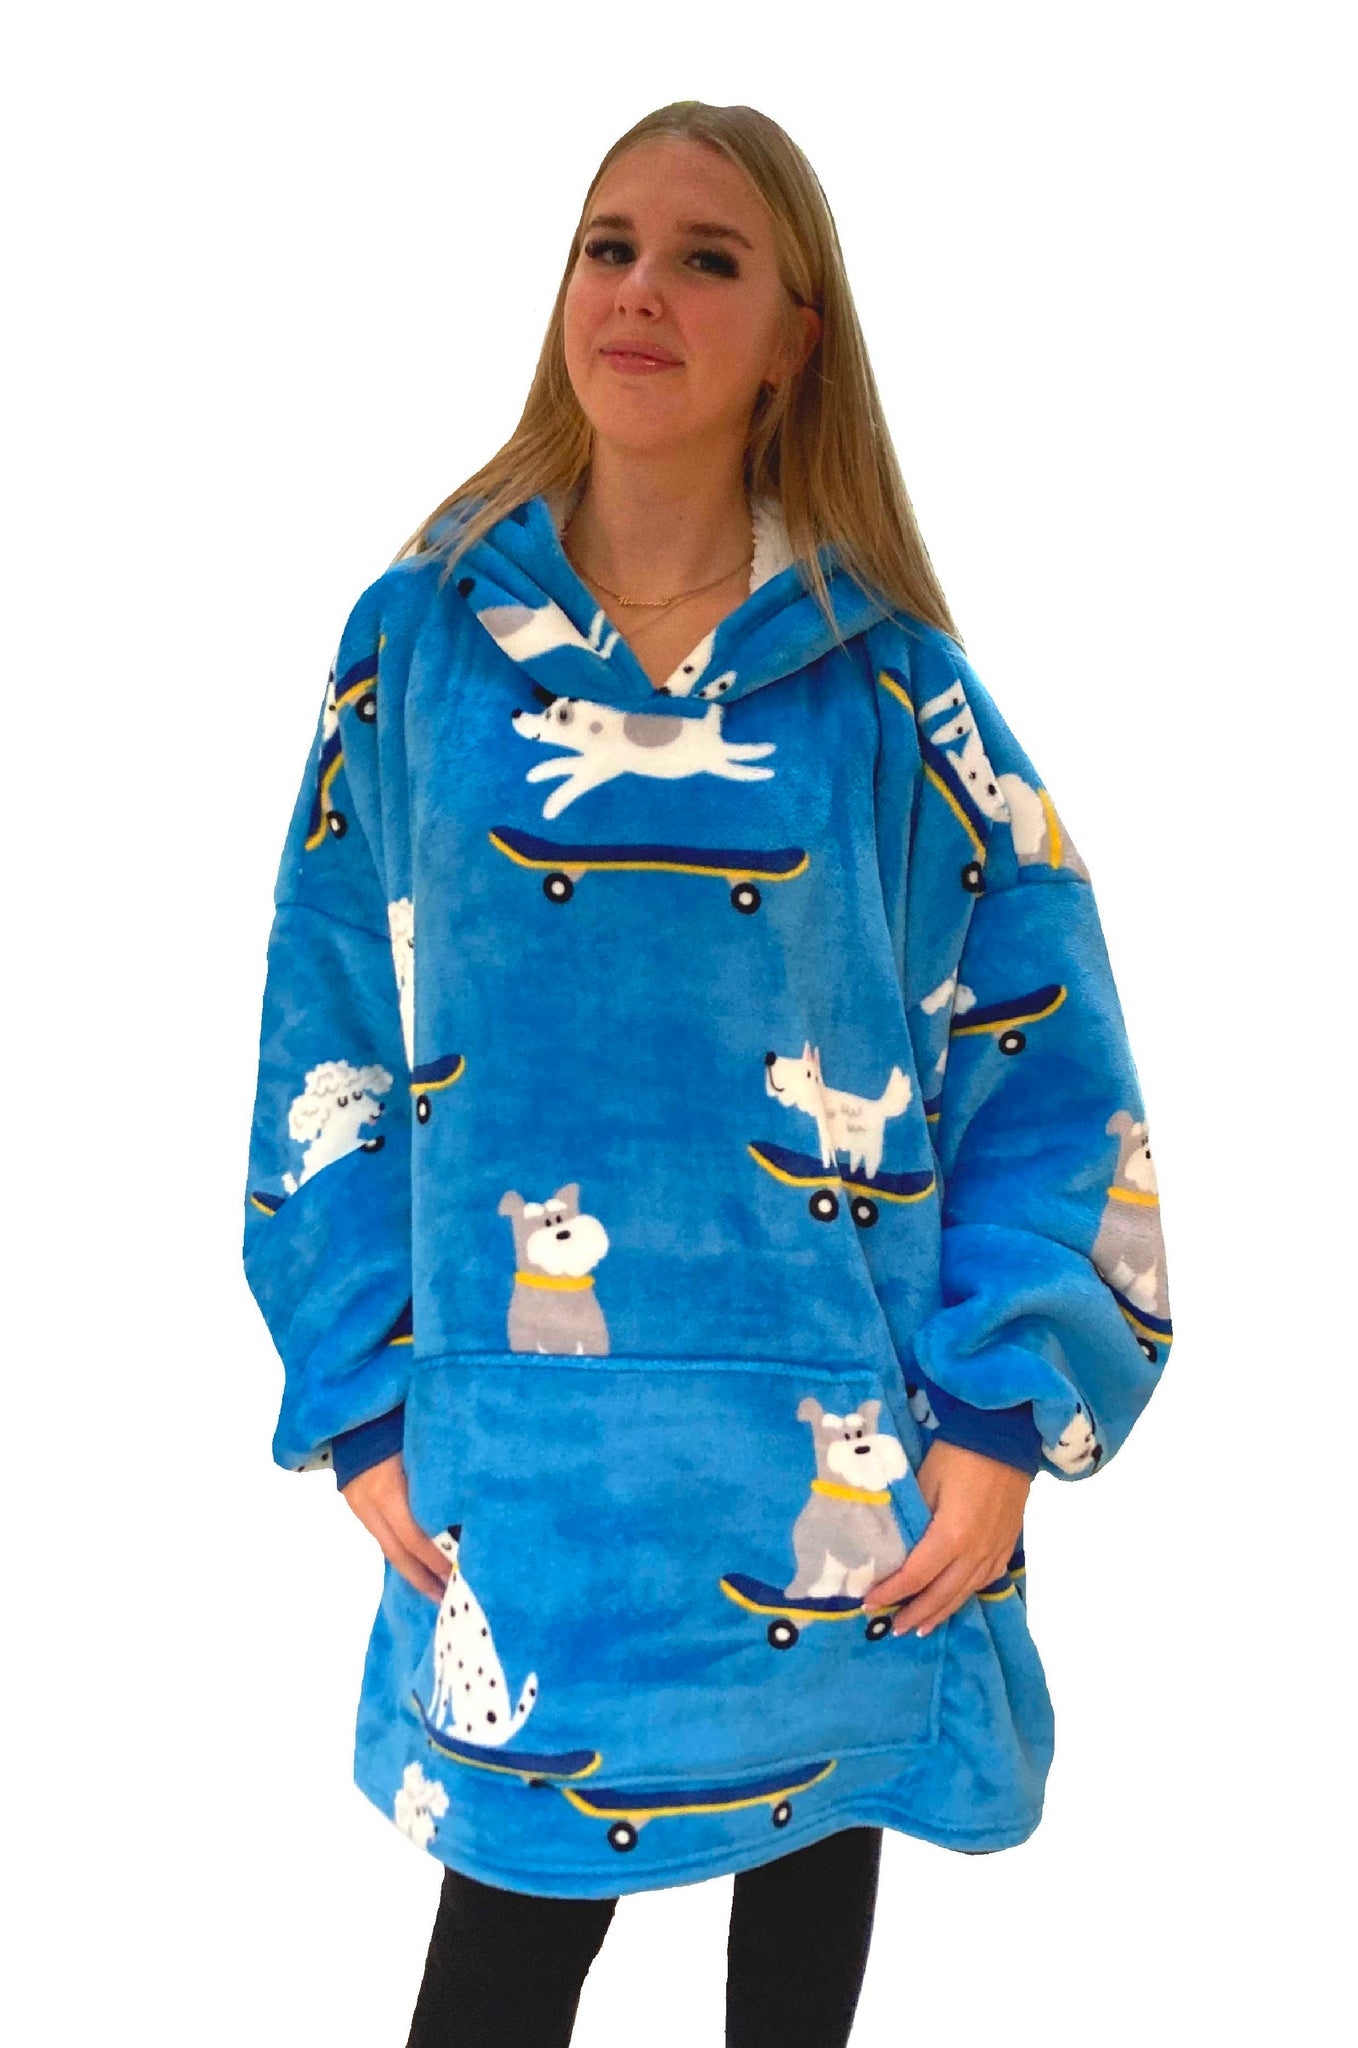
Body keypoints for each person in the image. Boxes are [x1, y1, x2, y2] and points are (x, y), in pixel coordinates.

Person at [242, 100, 1172, 2048]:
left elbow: (1047, 1055)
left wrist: (1002, 1416)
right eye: (609, 245)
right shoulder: (418, 648)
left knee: (793, 1993)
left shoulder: (889, 688)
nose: (641, 288)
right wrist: (355, 1383)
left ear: (791, 338)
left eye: (706, 257)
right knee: (496, 1975)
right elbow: (324, 1026)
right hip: (524, 1470)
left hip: (833, 1467)